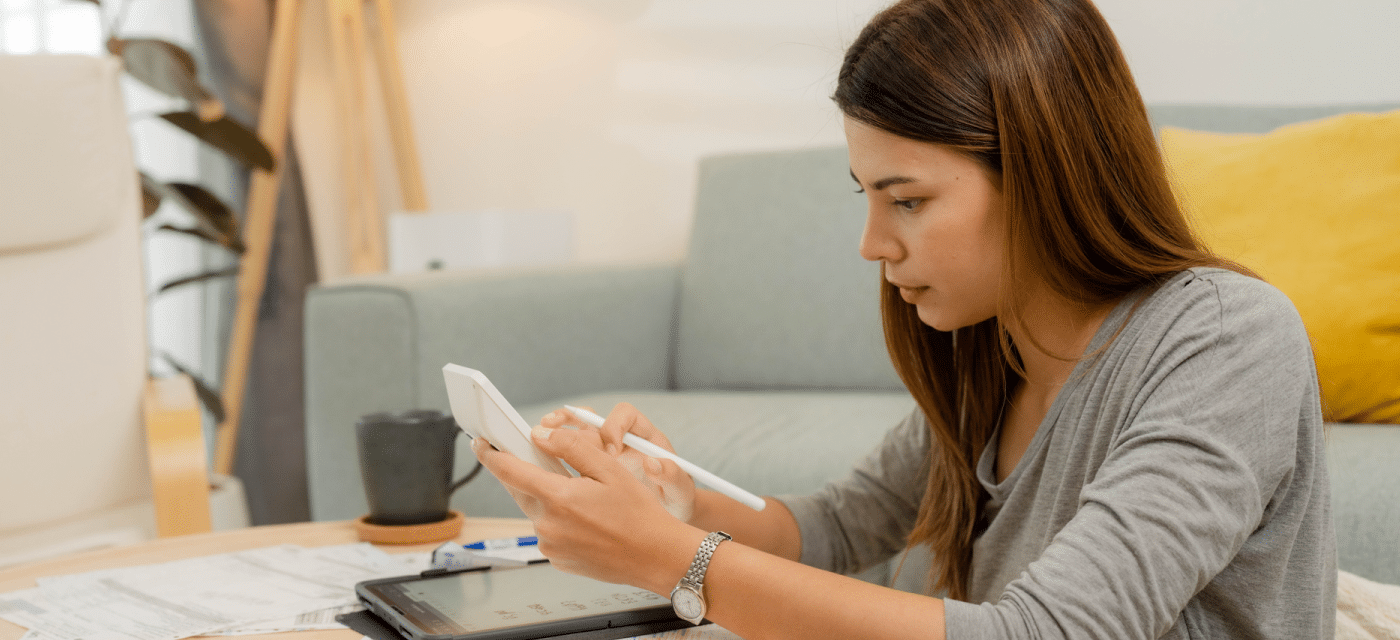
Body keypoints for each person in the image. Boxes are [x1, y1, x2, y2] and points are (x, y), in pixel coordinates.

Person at [472, 0, 1337, 637]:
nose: (872, 244)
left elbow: (1054, 634)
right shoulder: (995, 346)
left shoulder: (1227, 338)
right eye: (868, 196)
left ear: (1043, 173)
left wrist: (672, 558)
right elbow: (838, 527)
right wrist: (683, 503)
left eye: (909, 200)